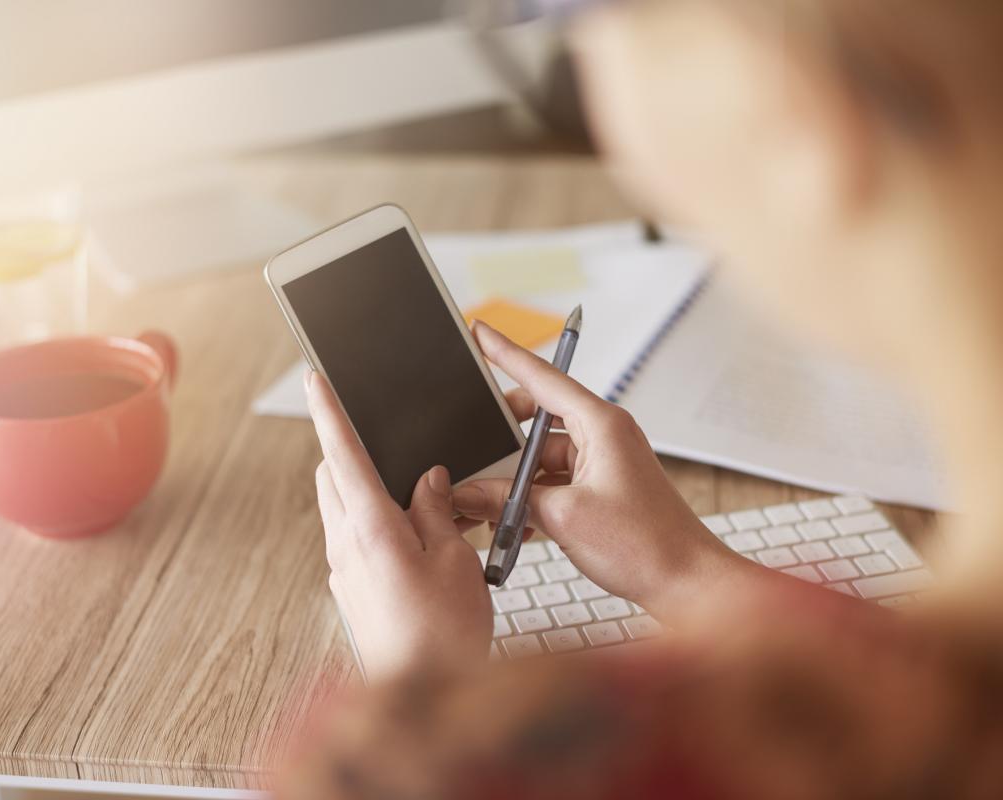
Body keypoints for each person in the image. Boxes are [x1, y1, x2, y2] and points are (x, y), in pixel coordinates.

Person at [280, 1, 1003, 797]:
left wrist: (429, 708)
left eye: (564, 21)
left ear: (792, 110)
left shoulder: (540, 764)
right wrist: (683, 569)